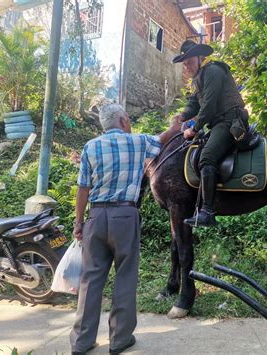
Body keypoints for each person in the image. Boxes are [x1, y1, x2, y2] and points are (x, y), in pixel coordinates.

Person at [70, 104, 166, 354]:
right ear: (123, 121)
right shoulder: (138, 142)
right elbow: (163, 139)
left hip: (96, 215)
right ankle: (119, 339)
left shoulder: (90, 146)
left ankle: (82, 341)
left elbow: (83, 188)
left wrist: (79, 222)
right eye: (129, 119)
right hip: (125, 215)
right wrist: (180, 125)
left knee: (90, 279)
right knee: (125, 275)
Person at [172, 39, 248, 227]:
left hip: (230, 121)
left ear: (200, 58)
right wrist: (181, 116)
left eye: (189, 62)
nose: (187, 67)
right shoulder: (198, 79)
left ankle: (207, 211)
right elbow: (194, 103)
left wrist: (194, 128)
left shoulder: (213, 71)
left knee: (206, 158)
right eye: (185, 64)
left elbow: (209, 105)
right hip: (218, 123)